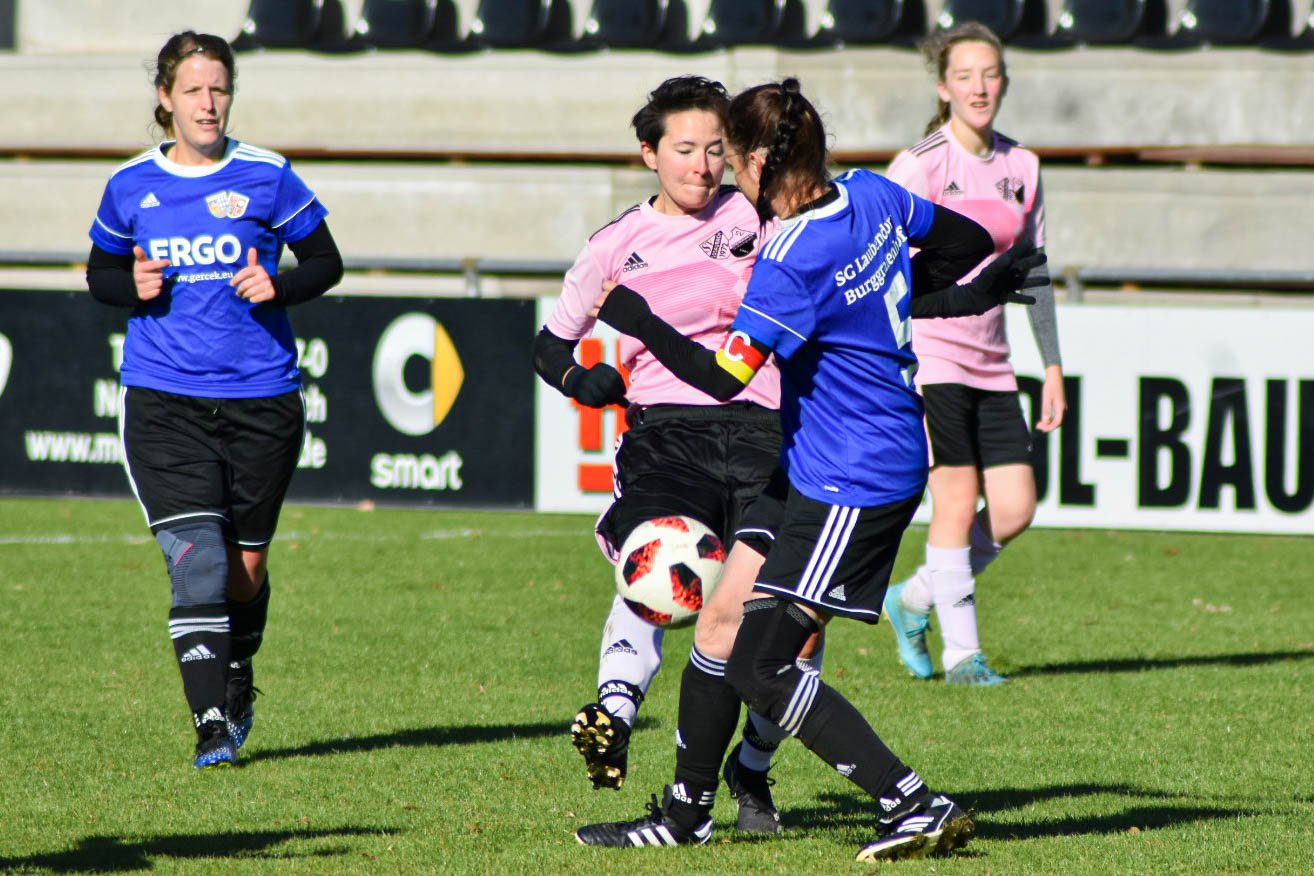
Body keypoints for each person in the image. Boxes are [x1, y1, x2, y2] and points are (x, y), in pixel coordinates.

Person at [574, 78, 1042, 860]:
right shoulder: (872, 194)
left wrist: (638, 318)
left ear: (760, 162)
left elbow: (723, 377)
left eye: (732, 158)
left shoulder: (790, 259)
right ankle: (685, 815)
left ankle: (913, 802)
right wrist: (930, 294)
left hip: (852, 475)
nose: (727, 172)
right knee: (721, 625)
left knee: (762, 665)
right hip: (814, 460)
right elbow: (963, 244)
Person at [534, 75, 820, 834]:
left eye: (715, 149)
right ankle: (615, 712)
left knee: (788, 622)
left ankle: (751, 768)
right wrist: (579, 379)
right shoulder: (613, 246)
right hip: (668, 436)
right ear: (648, 154)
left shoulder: (759, 214)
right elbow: (550, 344)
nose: (702, 165)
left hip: (771, 434)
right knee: (662, 559)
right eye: (685, 149)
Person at [85, 31, 343, 768]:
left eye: (219, 89)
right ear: (164, 98)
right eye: (194, 90)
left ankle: (237, 669)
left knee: (244, 570)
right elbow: (101, 275)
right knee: (197, 561)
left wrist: (279, 284)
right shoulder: (131, 184)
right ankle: (211, 729)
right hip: (163, 400)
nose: (208, 103)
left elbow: (326, 261)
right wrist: (130, 286)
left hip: (263, 399)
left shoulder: (268, 174)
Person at [883, 22, 1066, 686]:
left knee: (1015, 509)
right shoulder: (920, 165)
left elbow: (1033, 270)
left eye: (990, 74)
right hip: (933, 356)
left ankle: (913, 599)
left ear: (1005, 82)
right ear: (943, 87)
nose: (979, 87)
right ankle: (963, 655)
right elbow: (884, 267)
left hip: (993, 359)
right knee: (956, 501)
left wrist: (1051, 366)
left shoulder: (1024, 166)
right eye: (965, 76)